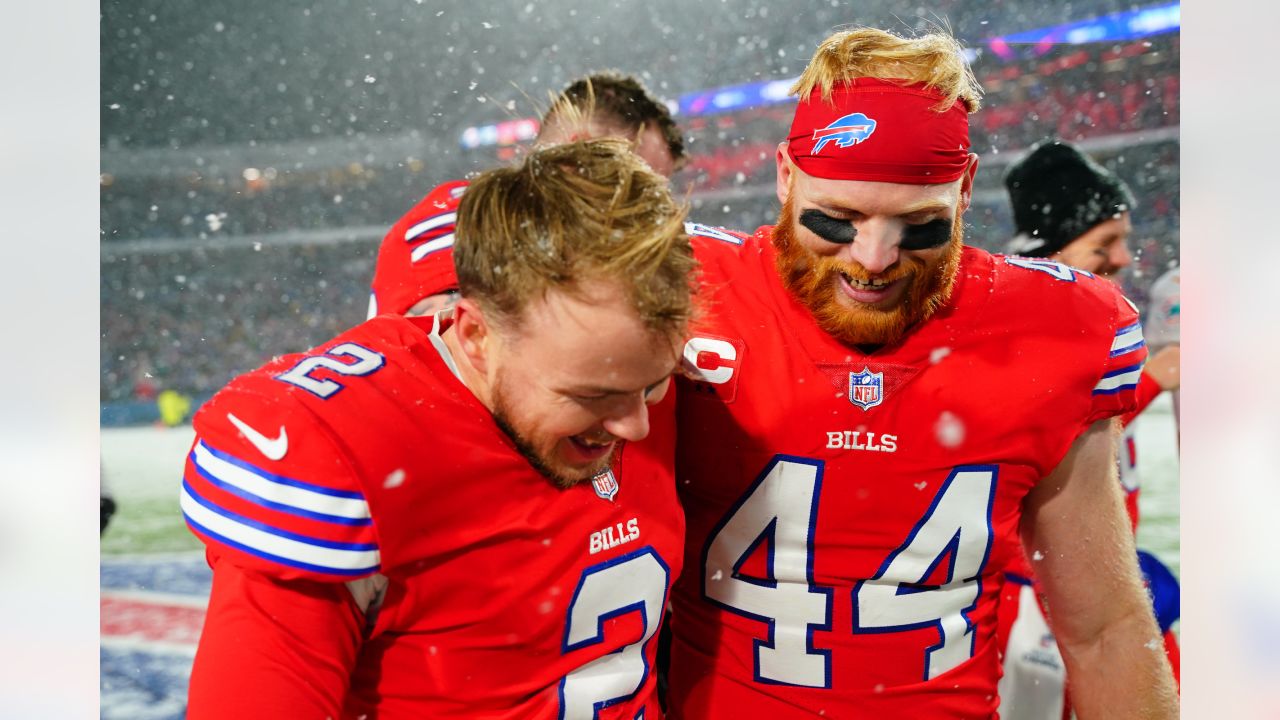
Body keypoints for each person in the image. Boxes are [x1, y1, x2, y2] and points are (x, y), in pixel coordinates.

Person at [663, 28, 1178, 717]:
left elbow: (1105, 628)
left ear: (965, 188)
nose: (873, 257)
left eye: (918, 222)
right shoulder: (684, 289)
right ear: (786, 175)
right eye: (838, 218)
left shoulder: (1056, 329)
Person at [181, 139, 696, 718]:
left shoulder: (650, 373)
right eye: (593, 395)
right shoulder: (354, 453)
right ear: (475, 335)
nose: (636, 425)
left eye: (653, 384)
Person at [997, 140, 1182, 718]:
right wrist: (1151, 379)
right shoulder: (1018, 318)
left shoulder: (1086, 319)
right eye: (1104, 244)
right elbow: (1033, 428)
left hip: (1091, 574)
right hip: (1039, 595)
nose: (1124, 258)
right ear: (1051, 248)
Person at [368, 71, 686, 320]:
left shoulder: (553, 233)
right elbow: (437, 326)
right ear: (581, 155)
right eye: (641, 184)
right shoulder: (467, 212)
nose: (651, 211)